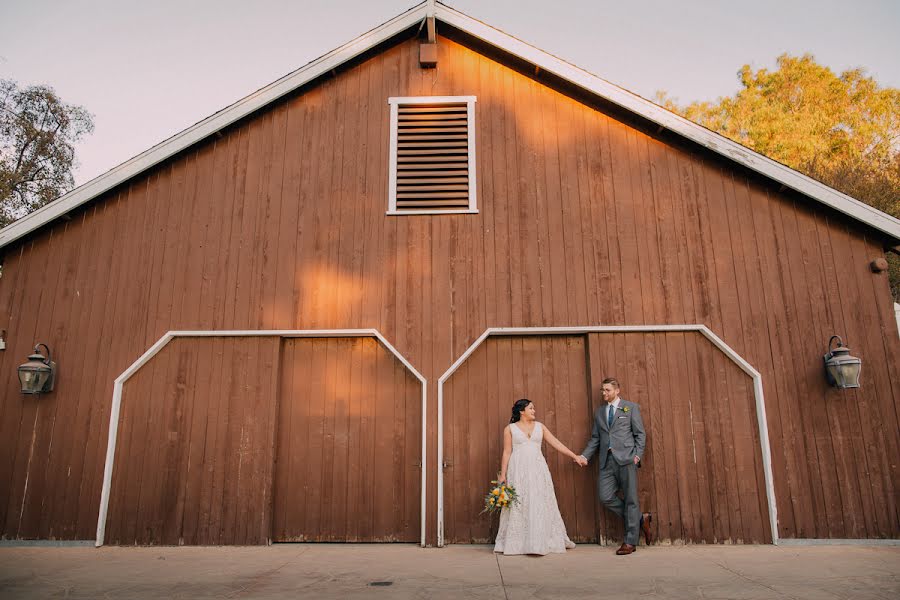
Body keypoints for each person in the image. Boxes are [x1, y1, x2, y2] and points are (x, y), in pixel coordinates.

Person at [575, 378, 653, 555]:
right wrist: (585, 455)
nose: (604, 393)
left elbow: (640, 434)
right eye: (603, 390)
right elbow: (596, 438)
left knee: (631, 500)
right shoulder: (600, 412)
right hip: (606, 461)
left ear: (617, 390)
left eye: (607, 390)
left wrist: (637, 455)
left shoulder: (630, 407)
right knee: (605, 496)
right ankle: (640, 519)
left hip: (626, 459)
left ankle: (630, 542)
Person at [494, 398, 579, 555]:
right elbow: (507, 452)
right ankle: (518, 542)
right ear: (522, 411)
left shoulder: (540, 427)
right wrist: (503, 475)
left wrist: (574, 456)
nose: (534, 411)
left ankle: (541, 541)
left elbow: (556, 443)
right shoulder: (510, 429)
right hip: (518, 470)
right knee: (520, 502)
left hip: (538, 469)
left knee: (540, 500)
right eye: (531, 408)